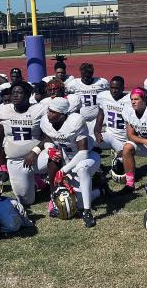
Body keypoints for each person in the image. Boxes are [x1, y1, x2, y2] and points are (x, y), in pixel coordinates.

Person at [34, 97, 100, 227]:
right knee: (40, 164)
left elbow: (83, 153)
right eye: (48, 110)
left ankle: (88, 211)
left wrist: (63, 170)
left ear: (62, 114)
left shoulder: (75, 122)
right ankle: (53, 195)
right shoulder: (45, 121)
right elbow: (49, 137)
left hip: (86, 157)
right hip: (66, 156)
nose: (49, 114)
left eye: (53, 112)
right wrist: (49, 149)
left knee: (81, 172)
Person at [0, 83, 47, 208]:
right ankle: (35, 183)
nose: (15, 95)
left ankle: (56, 187)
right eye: (13, 92)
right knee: (26, 201)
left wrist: (35, 151)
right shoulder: (3, 110)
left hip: (38, 156)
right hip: (15, 161)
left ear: (28, 95)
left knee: (56, 156)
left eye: (19, 92)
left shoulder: (39, 109)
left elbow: (50, 134)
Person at [120, 87, 147, 192]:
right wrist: (145, 141)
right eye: (132, 99)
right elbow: (130, 135)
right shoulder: (128, 111)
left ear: (145, 100)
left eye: (136, 99)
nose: (133, 102)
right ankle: (130, 183)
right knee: (127, 148)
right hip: (145, 142)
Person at [66, 63, 108, 141]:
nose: (86, 79)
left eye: (88, 76)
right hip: (80, 118)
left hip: (96, 119)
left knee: (96, 140)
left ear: (92, 74)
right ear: (80, 74)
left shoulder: (101, 83)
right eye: (84, 76)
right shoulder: (74, 84)